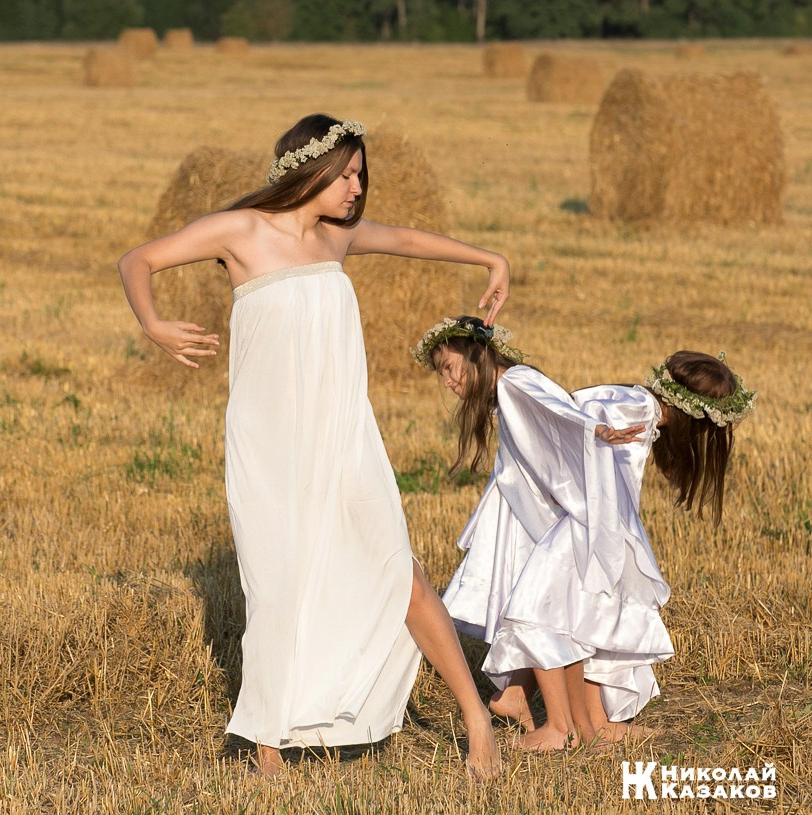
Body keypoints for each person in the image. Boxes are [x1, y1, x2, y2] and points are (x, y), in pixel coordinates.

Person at [118, 113, 510, 778]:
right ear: (312, 168)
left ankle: (478, 724)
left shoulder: (337, 239)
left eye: (362, 174)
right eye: (347, 173)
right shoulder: (242, 231)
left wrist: (489, 258)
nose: (357, 186)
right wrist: (154, 324)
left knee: (400, 572)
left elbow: (410, 239)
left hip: (344, 434)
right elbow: (139, 259)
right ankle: (267, 744)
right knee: (277, 585)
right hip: (269, 442)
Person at [414, 316, 756, 750]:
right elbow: (569, 411)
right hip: (587, 523)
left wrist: (591, 432)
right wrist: (592, 431)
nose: (446, 380)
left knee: (586, 614)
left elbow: (569, 410)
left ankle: (586, 721)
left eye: (448, 367)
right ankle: (564, 725)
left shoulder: (624, 402)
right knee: (558, 613)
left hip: (591, 522)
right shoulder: (610, 400)